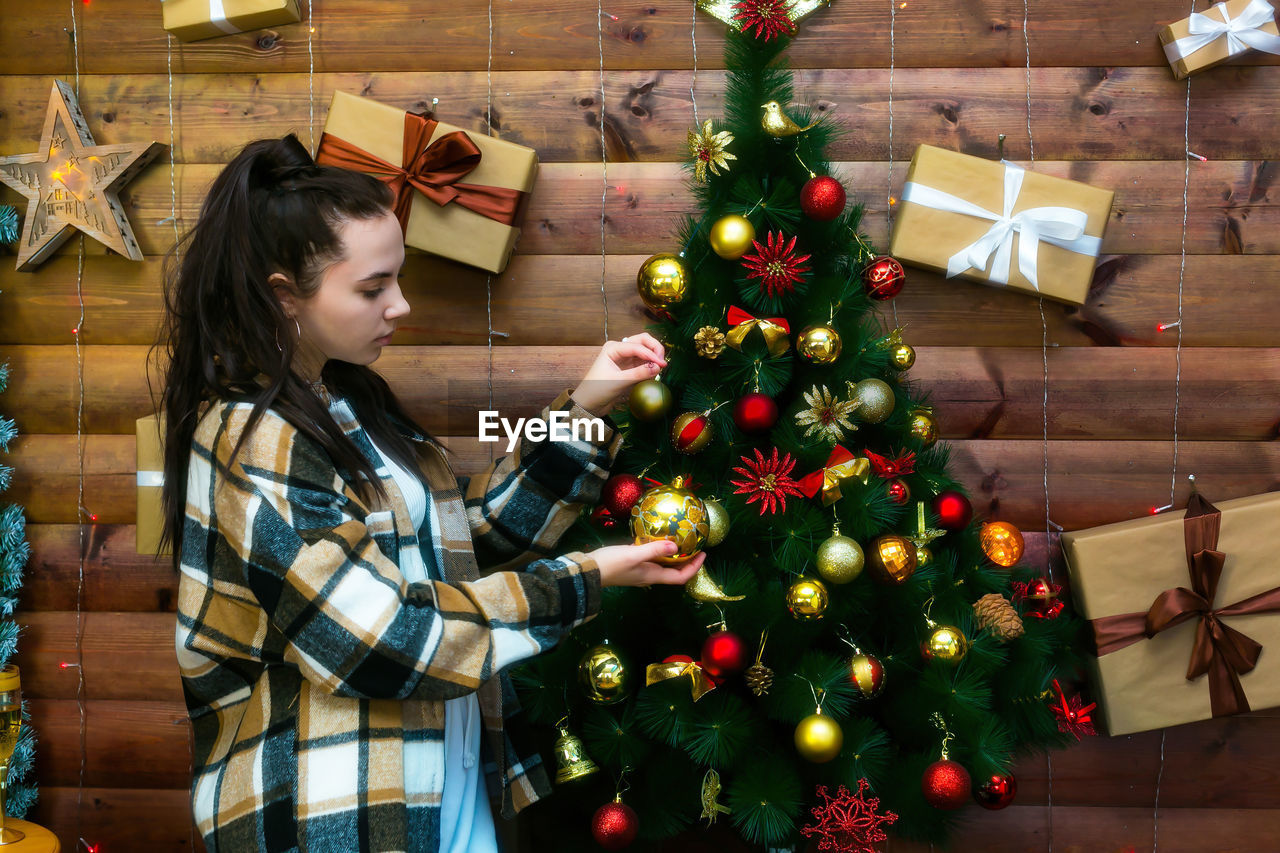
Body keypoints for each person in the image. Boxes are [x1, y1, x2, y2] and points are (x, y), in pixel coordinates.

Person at [159, 134, 704, 853]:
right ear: (283, 296)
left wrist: (585, 408)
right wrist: (586, 579)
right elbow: (386, 640)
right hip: (339, 816)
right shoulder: (254, 438)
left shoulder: (348, 402)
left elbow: (460, 550)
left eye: (398, 278)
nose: (401, 305)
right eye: (372, 287)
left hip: (438, 785)